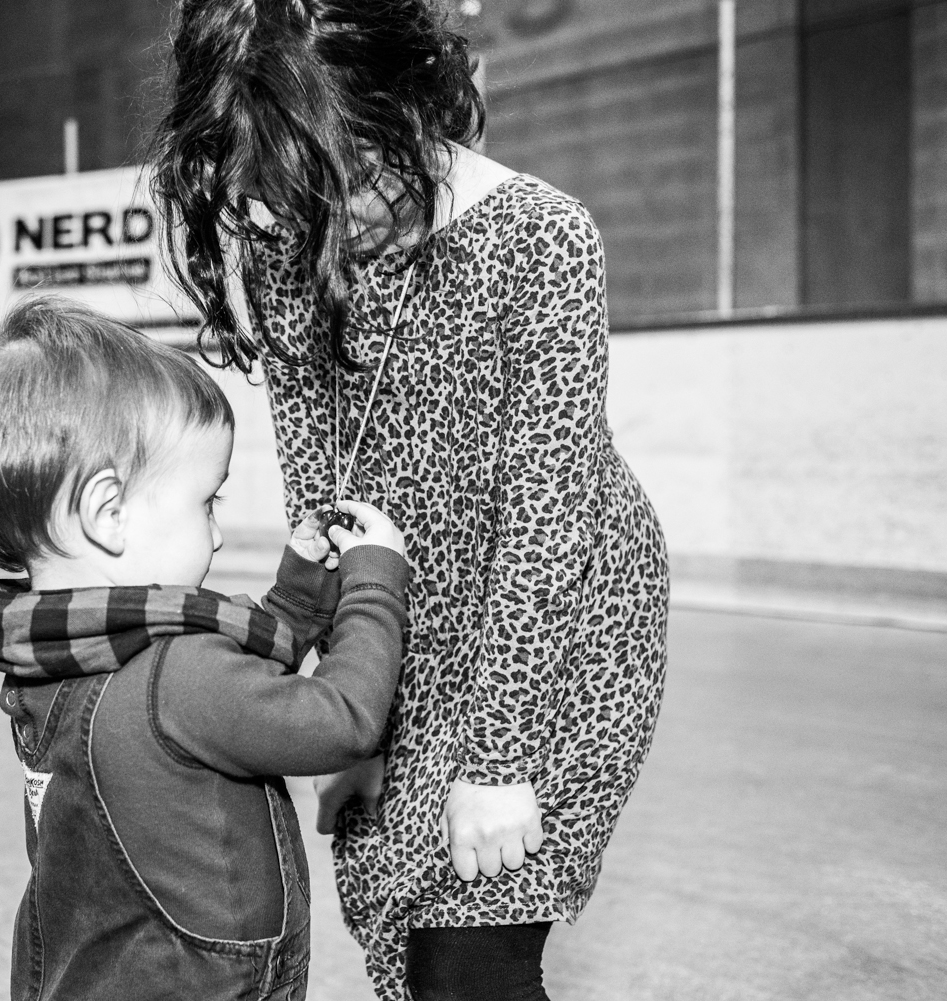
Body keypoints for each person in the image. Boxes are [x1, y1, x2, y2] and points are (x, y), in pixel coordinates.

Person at [151, 3, 670, 1000]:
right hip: (401, 611)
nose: (311, 219)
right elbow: (323, 497)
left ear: (402, 102)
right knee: (402, 939)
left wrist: (499, 760)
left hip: (558, 623)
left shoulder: (543, 238)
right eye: (276, 195)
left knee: (467, 960)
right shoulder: (293, 241)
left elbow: (547, 520)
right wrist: (355, 720)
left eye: (342, 177)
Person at [0, 296, 413, 1000]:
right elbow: (340, 721)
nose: (217, 533)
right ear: (109, 513)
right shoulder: (178, 674)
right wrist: (375, 584)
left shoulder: (54, 647)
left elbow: (235, 685)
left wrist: (301, 592)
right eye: (206, 501)